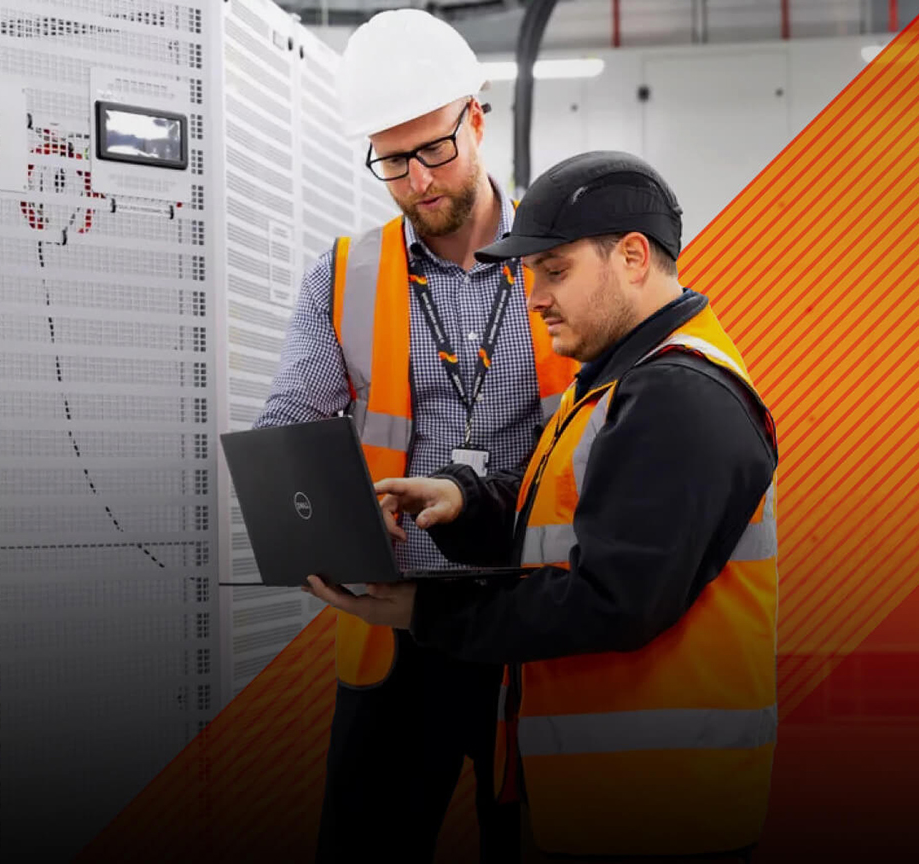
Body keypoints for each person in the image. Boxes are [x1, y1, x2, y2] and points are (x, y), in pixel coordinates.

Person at [303, 150, 781, 864]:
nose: (535, 297)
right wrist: (461, 501)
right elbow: (562, 522)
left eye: (555, 272)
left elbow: (612, 599)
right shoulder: (622, 381)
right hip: (616, 798)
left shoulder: (679, 397)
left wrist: (424, 613)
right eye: (531, 277)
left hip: (664, 811)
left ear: (631, 257)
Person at [251, 8, 579, 864]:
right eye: (392, 162)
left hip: (533, 618)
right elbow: (289, 417)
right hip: (397, 626)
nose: (418, 181)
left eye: (433, 149)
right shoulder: (346, 272)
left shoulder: (565, 259)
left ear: (476, 117)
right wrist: (317, 513)